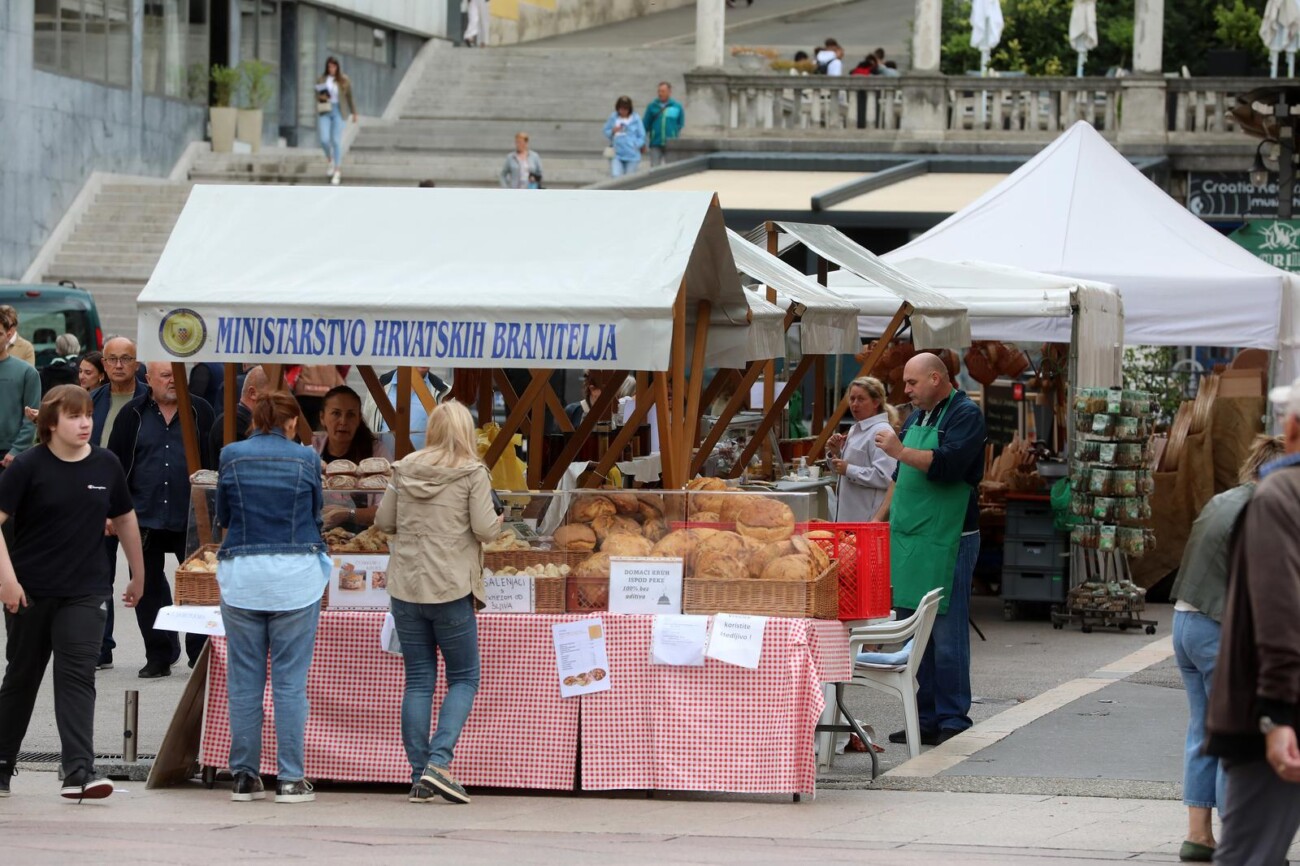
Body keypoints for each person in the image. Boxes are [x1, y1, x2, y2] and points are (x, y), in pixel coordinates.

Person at [0, 385, 144, 800]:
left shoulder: (106, 465)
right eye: (74, 416)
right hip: (29, 593)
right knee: (22, 677)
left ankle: (79, 771)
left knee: (77, 677)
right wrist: (7, 580)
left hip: (86, 591)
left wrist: (138, 572)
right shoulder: (27, 466)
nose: (85, 423)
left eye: (87, 416)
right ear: (50, 424)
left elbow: (126, 517)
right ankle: (2, 763)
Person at [376, 400, 500, 804]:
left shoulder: (403, 467)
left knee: (418, 681)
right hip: (450, 587)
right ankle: (438, 764)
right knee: (464, 678)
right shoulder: (472, 472)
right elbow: (484, 529)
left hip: (406, 588)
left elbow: (383, 523)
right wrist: (499, 521)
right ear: (465, 432)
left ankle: (418, 775)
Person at [1171, 435, 1284, 863]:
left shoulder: (1224, 501)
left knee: (1204, 731)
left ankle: (1199, 835)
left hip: (1185, 622)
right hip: (1220, 629)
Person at [216, 390, 329, 805]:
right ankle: (290, 778)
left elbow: (223, 517)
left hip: (242, 576)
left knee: (244, 681)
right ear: (292, 422)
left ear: (255, 419)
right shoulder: (307, 459)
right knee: (289, 683)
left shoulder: (230, 455)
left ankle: (244, 776)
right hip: (295, 577)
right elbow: (316, 514)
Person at [1207, 378, 1300, 865]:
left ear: (1291, 425)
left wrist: (1276, 716)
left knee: (1248, 855)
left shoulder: (1278, 496)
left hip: (1275, 713)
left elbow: (1278, 611)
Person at [873, 352, 985, 747]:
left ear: (936, 379)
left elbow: (950, 464)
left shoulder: (965, 415)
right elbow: (900, 478)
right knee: (915, 633)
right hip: (912, 539)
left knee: (947, 632)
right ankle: (923, 716)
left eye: (912, 383)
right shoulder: (919, 417)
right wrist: (878, 520)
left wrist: (900, 450)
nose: (906, 391)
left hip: (949, 538)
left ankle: (953, 716)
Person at [106, 362, 215, 678]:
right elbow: (115, 462)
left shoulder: (201, 411)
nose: (172, 380)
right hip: (143, 515)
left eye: (176, 374)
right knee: (147, 586)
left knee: (199, 588)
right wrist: (112, 507)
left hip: (193, 515)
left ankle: (200, 654)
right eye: (165, 375)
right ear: (148, 379)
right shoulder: (133, 415)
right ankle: (159, 653)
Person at [88, 336, 147, 670]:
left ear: (137, 364)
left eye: (126, 358)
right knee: (98, 575)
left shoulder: (147, 399)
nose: (119, 365)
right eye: (112, 359)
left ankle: (161, 649)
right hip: (97, 499)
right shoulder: (91, 400)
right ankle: (100, 646)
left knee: (146, 575)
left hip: (137, 499)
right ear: (104, 364)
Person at [312, 385, 391, 531]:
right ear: (322, 417)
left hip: (363, 541)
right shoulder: (311, 452)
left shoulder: (377, 453)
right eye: (336, 413)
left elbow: (388, 508)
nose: (343, 421)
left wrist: (349, 514)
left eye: (350, 415)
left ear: (359, 418)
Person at [827, 377, 898, 522]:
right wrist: (835, 453)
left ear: (876, 402)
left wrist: (848, 469)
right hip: (849, 518)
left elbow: (886, 477)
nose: (854, 404)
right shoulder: (855, 429)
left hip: (866, 521)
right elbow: (844, 471)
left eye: (861, 399)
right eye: (852, 399)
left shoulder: (881, 431)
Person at [370, 367, 450, 451]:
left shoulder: (445, 392)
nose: (422, 356)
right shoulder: (378, 384)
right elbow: (369, 424)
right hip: (384, 461)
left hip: (424, 463)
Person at [0, 306, 40, 470]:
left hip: (9, 454)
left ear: (9, 335)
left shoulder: (27, 372)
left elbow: (31, 416)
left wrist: (17, 449)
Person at [315, 56, 356, 187]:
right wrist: (322, 96)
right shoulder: (322, 79)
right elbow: (317, 96)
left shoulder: (344, 80)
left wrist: (354, 112)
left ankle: (337, 170)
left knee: (336, 140)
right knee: (324, 139)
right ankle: (330, 160)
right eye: (329, 66)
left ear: (337, 67)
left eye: (334, 66)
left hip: (339, 111)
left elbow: (350, 97)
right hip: (325, 110)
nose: (332, 69)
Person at [211, 366, 269, 455]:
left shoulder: (238, 419)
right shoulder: (233, 423)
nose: (279, 401)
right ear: (253, 393)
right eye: (273, 394)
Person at [289, 364, 347, 431]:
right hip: (327, 388)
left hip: (303, 389)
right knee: (319, 430)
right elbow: (344, 366)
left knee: (298, 428)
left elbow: (290, 363)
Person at [643, 82, 685, 168]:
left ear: (669, 92)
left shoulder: (677, 106)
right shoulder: (652, 106)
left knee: (671, 168)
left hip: (671, 142)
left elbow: (680, 123)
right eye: (659, 91)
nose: (660, 93)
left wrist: (673, 132)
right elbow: (645, 124)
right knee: (655, 167)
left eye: (663, 91)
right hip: (655, 142)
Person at [603, 96, 646, 178]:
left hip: (632, 156)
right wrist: (613, 131)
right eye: (621, 108)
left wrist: (635, 145)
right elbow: (606, 130)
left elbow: (642, 136)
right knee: (615, 176)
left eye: (625, 109)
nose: (623, 111)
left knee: (629, 179)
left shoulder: (636, 119)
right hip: (617, 155)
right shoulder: (613, 117)